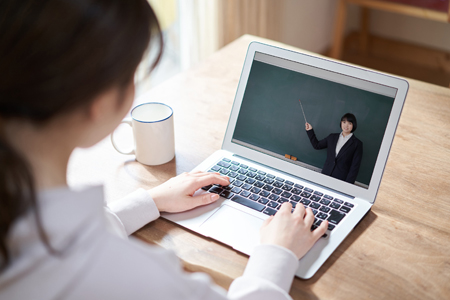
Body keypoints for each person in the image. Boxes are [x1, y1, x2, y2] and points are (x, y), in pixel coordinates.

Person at [0, 1, 328, 299]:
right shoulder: (129, 277)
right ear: (98, 104)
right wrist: (276, 253)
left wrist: (151, 201)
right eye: (132, 73)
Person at [305, 113, 363, 184]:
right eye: (344, 122)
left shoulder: (357, 144)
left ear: (353, 125)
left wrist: (348, 185)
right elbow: (317, 145)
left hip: (341, 180)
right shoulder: (332, 137)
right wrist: (310, 131)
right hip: (325, 175)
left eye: (349, 123)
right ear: (341, 123)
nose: (346, 125)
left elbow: (355, 167)